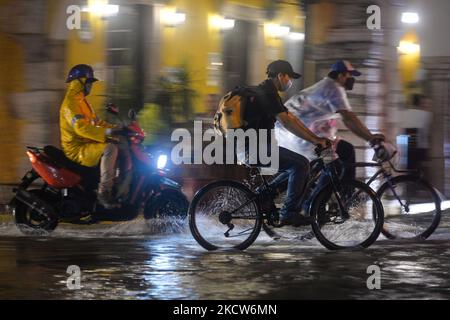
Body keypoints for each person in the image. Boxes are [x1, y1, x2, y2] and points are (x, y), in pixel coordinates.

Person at [274, 60, 385, 211]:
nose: (352, 79)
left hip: (293, 135)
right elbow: (349, 118)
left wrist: (369, 136)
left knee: (325, 161)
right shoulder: (334, 88)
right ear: (340, 75)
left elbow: (338, 119)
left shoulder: (326, 87)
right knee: (337, 161)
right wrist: (371, 139)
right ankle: (316, 205)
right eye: (350, 75)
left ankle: (334, 197)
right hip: (299, 136)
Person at [243, 60, 329, 226]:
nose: (290, 82)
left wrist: (316, 139)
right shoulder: (266, 94)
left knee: (300, 164)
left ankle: (264, 195)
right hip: (254, 148)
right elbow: (286, 122)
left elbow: (292, 118)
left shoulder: (270, 92)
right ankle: (288, 213)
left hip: (258, 146)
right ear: (280, 76)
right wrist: (314, 140)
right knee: (301, 164)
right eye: (289, 78)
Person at [59, 64, 123, 209]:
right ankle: (104, 192)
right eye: (89, 82)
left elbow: (97, 123)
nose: (91, 86)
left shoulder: (83, 102)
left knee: (117, 144)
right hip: (77, 149)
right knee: (110, 149)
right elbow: (81, 128)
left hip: (87, 144)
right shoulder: (71, 103)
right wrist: (107, 133)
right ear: (79, 82)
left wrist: (118, 129)